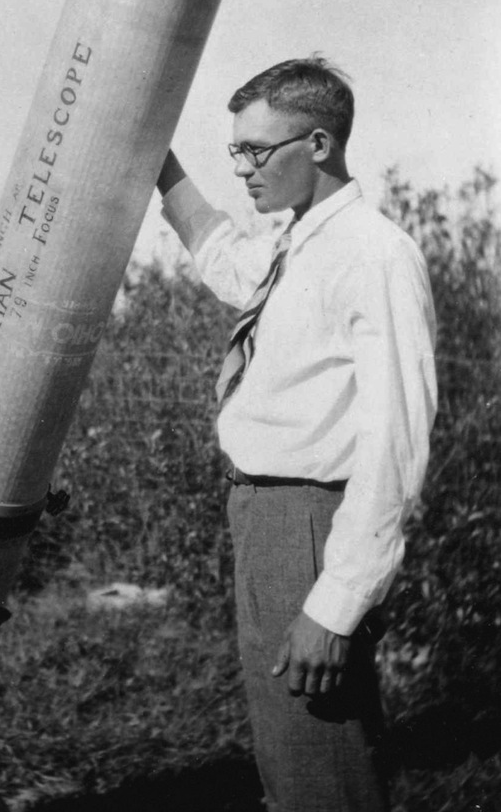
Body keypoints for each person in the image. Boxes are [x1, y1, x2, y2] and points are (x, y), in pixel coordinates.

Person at [156, 57, 437, 812]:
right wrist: (162, 164)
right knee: (294, 760)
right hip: (265, 517)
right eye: (234, 152)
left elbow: (395, 445)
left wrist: (334, 604)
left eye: (256, 151)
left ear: (316, 144)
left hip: (310, 525)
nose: (242, 168)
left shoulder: (374, 255)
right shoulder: (300, 239)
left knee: (322, 772)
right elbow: (225, 260)